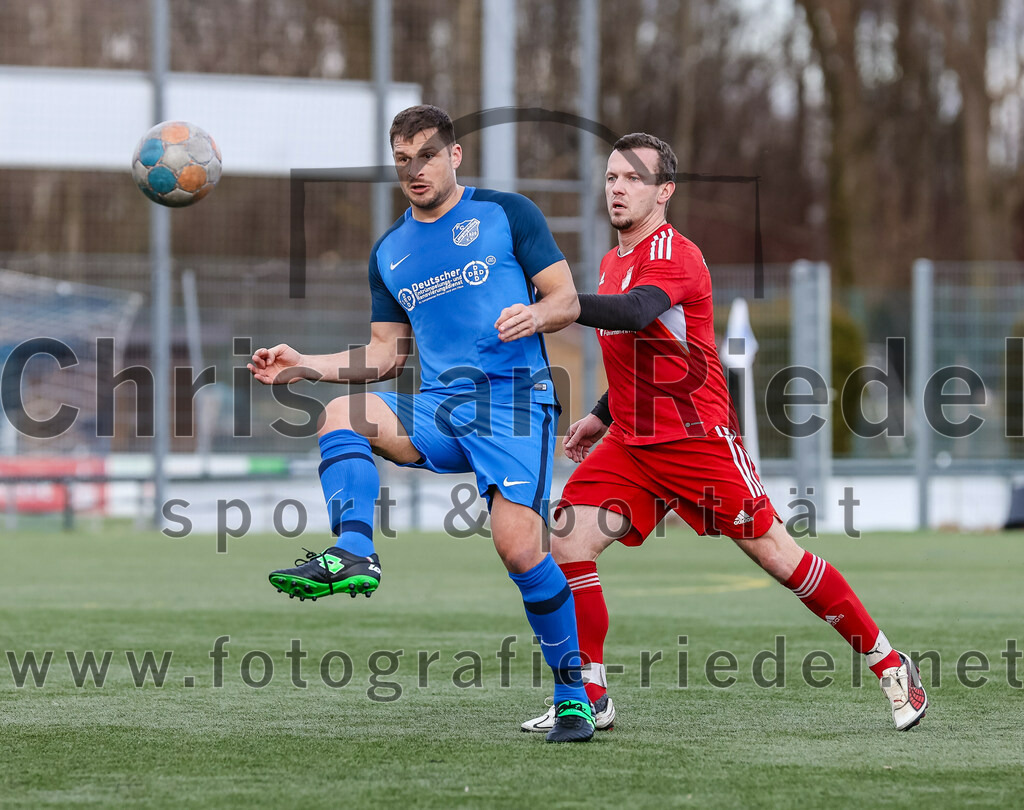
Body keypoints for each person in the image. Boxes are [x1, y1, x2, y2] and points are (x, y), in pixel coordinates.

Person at [521, 132, 928, 734]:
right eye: (611, 177)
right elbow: (638, 350)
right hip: (631, 443)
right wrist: (601, 415)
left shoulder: (676, 255)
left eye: (634, 179)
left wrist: (562, 304)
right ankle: (589, 695)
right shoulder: (611, 261)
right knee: (567, 542)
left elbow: (635, 313)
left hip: (697, 441)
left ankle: (891, 665)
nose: (618, 188)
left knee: (778, 557)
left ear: (665, 192)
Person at [249, 105, 594, 742]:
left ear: (455, 155)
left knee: (519, 549)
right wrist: (306, 364)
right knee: (340, 414)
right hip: (438, 406)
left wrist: (537, 318)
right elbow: (386, 355)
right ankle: (355, 553)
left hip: (517, 403)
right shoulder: (389, 251)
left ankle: (573, 693)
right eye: (403, 159)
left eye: (427, 155)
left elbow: (567, 299)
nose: (415, 170)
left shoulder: (507, 213)